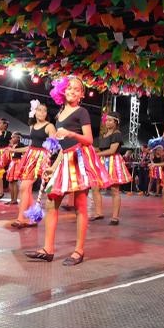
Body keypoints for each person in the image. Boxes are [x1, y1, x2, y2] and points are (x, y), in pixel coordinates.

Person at [25, 76, 109, 266]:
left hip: (79, 159)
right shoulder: (60, 113)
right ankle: (48, 249)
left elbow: (88, 139)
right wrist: (53, 168)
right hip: (65, 160)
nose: (72, 91)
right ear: (62, 91)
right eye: (69, 88)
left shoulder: (82, 112)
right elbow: (62, 149)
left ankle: (79, 251)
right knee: (51, 203)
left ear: (82, 94)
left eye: (77, 89)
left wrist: (71, 133)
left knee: (80, 205)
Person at [9, 100, 54, 228]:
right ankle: (32, 217)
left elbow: (53, 145)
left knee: (24, 187)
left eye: (44, 110)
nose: (42, 112)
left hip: (42, 158)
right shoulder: (32, 126)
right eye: (39, 110)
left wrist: (48, 159)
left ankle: (21, 218)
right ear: (34, 112)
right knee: (25, 189)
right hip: (31, 156)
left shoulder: (49, 126)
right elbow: (31, 146)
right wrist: (15, 150)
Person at [93, 113, 131, 225]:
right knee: (95, 188)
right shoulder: (104, 135)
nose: (107, 122)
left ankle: (115, 217)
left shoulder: (117, 134)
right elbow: (98, 148)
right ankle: (99, 213)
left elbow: (112, 150)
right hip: (101, 162)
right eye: (107, 120)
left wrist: (98, 154)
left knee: (114, 190)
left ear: (116, 122)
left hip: (112, 162)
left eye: (110, 120)